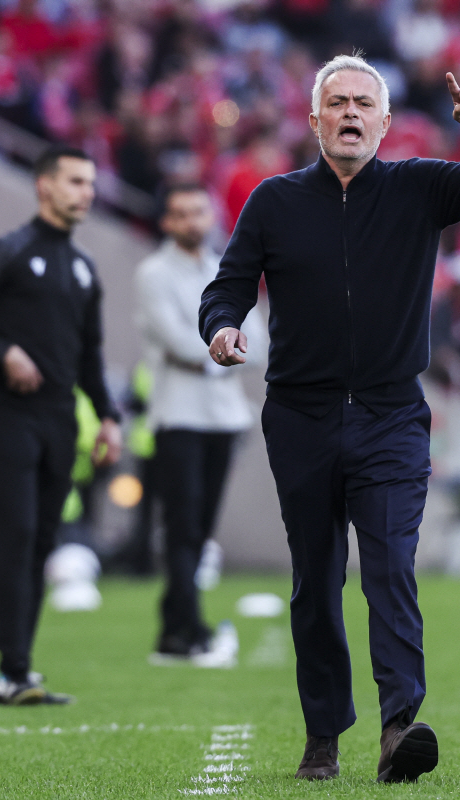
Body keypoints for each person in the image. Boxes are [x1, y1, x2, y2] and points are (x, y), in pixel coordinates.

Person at [199, 55, 460, 783]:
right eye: (336, 103)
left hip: (391, 416)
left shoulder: (418, 186)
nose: (349, 113)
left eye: (362, 103)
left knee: (389, 569)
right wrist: (221, 329)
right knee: (317, 580)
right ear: (314, 120)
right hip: (301, 416)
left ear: (384, 121)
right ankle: (323, 732)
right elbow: (226, 287)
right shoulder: (273, 201)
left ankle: (398, 727)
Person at [0, 145, 123, 705]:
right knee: (16, 534)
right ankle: (10, 671)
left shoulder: (85, 268)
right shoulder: (8, 251)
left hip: (61, 417)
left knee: (41, 541)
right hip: (6, 412)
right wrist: (4, 353)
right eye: (74, 181)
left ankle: (20, 668)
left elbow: (90, 355)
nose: (85, 192)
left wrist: (109, 418)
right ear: (44, 186)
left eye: (90, 183)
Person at [135, 184, 266, 666]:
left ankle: (176, 628)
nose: (192, 221)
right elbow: (176, 339)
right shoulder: (152, 272)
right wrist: (225, 349)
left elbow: (264, 342)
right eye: (181, 213)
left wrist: (218, 351)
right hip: (179, 414)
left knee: (199, 527)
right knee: (183, 526)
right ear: (167, 222)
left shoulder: (223, 269)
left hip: (224, 416)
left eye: (198, 211)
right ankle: (188, 630)